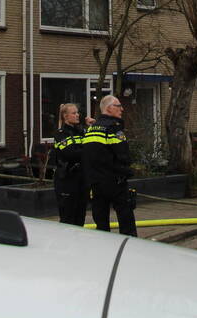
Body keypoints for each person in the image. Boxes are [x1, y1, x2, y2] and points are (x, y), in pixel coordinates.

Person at [82, 95, 136, 237]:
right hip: (115, 181)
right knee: (126, 218)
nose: (122, 109)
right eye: (118, 106)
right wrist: (127, 171)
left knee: (101, 220)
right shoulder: (113, 128)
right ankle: (130, 246)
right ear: (109, 108)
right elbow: (123, 154)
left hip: (96, 183)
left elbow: (89, 156)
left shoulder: (91, 129)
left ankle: (104, 246)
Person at [50, 103, 88, 226]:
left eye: (77, 112)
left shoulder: (81, 131)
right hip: (66, 180)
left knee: (80, 216)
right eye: (74, 113)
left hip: (81, 179)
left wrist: (92, 127)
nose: (77, 115)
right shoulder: (60, 134)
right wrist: (86, 150)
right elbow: (70, 153)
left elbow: (94, 147)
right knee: (67, 217)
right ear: (65, 116)